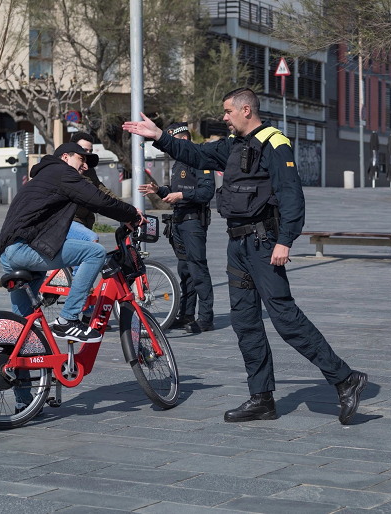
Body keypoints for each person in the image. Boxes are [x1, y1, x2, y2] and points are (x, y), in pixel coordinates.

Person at [123, 88, 368, 424]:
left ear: (246, 110)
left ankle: (345, 379)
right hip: (237, 245)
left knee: (285, 318)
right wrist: (160, 137)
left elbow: (291, 195)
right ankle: (262, 398)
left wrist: (285, 241)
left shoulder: (274, 143)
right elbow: (197, 154)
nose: (224, 117)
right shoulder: (234, 145)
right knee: (244, 321)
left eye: (227, 112)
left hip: (264, 243)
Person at [0, 142, 141, 344]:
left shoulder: (43, 177)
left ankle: (15, 366)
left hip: (8, 252)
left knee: (24, 323)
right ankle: (68, 320)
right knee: (94, 252)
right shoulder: (62, 173)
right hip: (24, 249)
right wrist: (131, 213)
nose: (85, 167)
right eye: (82, 160)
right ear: (65, 157)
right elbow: (98, 200)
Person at [139, 122, 215, 334]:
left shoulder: (200, 159)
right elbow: (174, 190)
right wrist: (159, 190)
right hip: (179, 220)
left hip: (193, 222)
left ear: (182, 139)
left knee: (198, 269)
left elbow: (207, 191)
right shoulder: (179, 162)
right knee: (185, 271)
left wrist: (181, 196)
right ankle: (186, 314)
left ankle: (206, 318)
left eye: (172, 142)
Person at [66, 132, 117, 243]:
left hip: (85, 222)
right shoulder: (66, 171)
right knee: (93, 241)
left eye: (90, 151)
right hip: (68, 222)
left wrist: (127, 208)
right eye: (84, 150)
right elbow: (95, 197)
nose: (88, 154)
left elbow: (103, 191)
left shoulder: (89, 170)